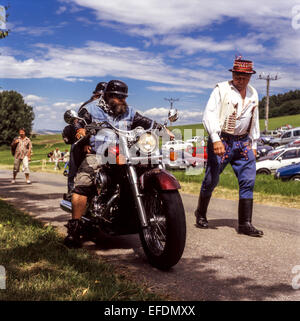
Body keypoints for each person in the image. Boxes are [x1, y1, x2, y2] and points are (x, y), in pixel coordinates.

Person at [64, 79, 175, 248]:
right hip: (99, 153)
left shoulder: (129, 112)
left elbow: (146, 122)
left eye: (124, 97)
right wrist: (80, 128)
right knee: (83, 181)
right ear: (108, 95)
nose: (123, 101)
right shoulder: (92, 109)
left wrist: (162, 129)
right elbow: (79, 121)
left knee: (149, 164)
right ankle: (74, 228)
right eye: (118, 97)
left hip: (125, 153)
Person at [194, 57, 263, 237]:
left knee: (248, 180)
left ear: (250, 76)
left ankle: (245, 224)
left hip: (242, 142)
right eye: (238, 75)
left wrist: (253, 143)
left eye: (245, 76)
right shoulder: (221, 89)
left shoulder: (253, 93)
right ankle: (200, 213)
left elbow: (254, 118)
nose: (241, 78)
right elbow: (208, 114)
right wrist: (215, 139)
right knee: (212, 179)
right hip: (222, 140)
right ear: (233, 74)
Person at [62, 82, 108, 199]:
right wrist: (85, 142)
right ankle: (72, 192)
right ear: (97, 95)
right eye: (101, 95)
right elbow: (78, 126)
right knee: (76, 167)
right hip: (81, 142)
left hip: (100, 143)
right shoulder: (87, 107)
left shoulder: (108, 109)